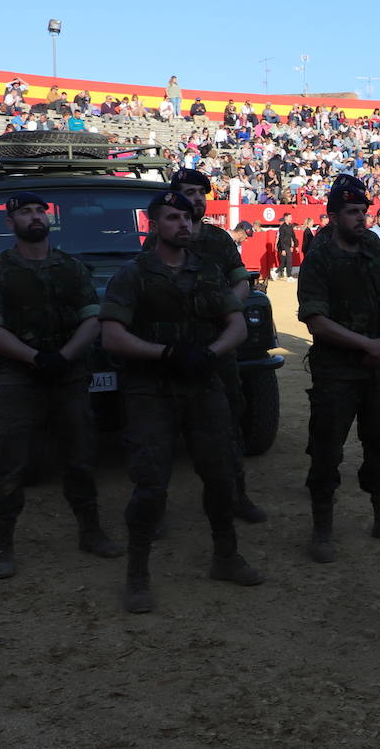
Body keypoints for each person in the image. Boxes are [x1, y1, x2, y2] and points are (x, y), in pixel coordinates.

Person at [100, 191, 263, 614]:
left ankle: (225, 556)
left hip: (203, 386)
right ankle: (138, 574)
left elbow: (237, 327)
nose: (184, 225)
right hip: (151, 390)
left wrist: (210, 353)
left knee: (221, 476)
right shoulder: (133, 275)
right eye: (173, 218)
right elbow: (112, 336)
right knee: (150, 485)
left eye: (187, 218)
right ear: (154, 225)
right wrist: (167, 354)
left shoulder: (208, 271)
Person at [0, 192, 123, 580]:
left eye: (41, 211)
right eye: (25, 211)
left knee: (80, 457)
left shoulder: (70, 268)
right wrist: (35, 358)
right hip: (18, 379)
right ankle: (1, 543)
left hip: (68, 376)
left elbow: (93, 319)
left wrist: (66, 356)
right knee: (9, 463)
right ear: (11, 223)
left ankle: (90, 531)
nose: (35, 217)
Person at [297, 175, 380, 564]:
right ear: (332, 216)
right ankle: (322, 530)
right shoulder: (319, 257)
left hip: (379, 366)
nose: (361, 219)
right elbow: (315, 320)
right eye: (352, 213)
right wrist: (370, 345)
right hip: (337, 371)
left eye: (363, 212)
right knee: (326, 449)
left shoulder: (371, 245)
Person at [143, 169, 265, 523]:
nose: (196, 198)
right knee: (162, 433)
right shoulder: (155, 243)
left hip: (217, 348)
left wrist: (225, 307)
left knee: (228, 423)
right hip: (170, 352)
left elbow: (242, 281)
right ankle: (157, 509)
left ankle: (237, 496)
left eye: (201, 192)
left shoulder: (218, 240)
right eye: (188, 192)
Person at [276, 212, 298, 280]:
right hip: (283, 245)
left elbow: (293, 236)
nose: (291, 218)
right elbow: (281, 239)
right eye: (290, 217)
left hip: (288, 245)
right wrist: (283, 249)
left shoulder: (290, 226)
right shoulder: (282, 227)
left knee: (284, 262)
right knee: (288, 261)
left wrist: (295, 246)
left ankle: (275, 272)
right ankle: (289, 276)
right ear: (286, 218)